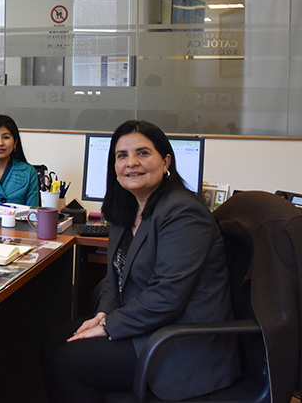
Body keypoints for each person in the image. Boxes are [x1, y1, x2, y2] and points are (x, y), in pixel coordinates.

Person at [43, 120, 238, 402]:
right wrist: (102, 314)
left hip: (181, 342)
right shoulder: (128, 208)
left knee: (68, 361)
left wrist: (109, 325)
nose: (131, 163)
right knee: (51, 341)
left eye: (143, 153)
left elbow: (167, 296)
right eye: (122, 156)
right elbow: (114, 278)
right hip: (148, 326)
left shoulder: (183, 212)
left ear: (165, 160)